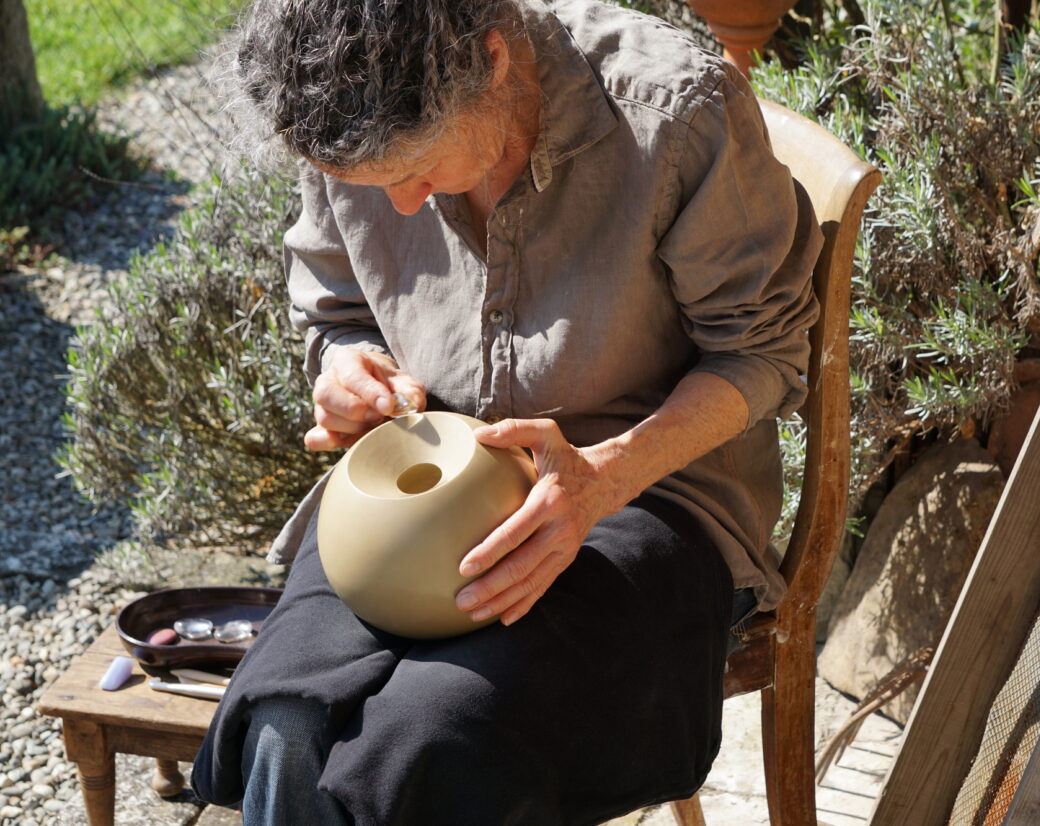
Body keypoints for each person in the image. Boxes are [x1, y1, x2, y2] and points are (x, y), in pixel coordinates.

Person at [191, 0, 823, 823]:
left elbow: (764, 353)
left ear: (491, 61)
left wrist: (604, 476)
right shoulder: (346, 110)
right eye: (378, 186)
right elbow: (335, 305)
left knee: (430, 739)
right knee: (287, 723)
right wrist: (345, 364)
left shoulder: (672, 112)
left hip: (646, 497)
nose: (406, 206)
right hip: (419, 498)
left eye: (415, 168)